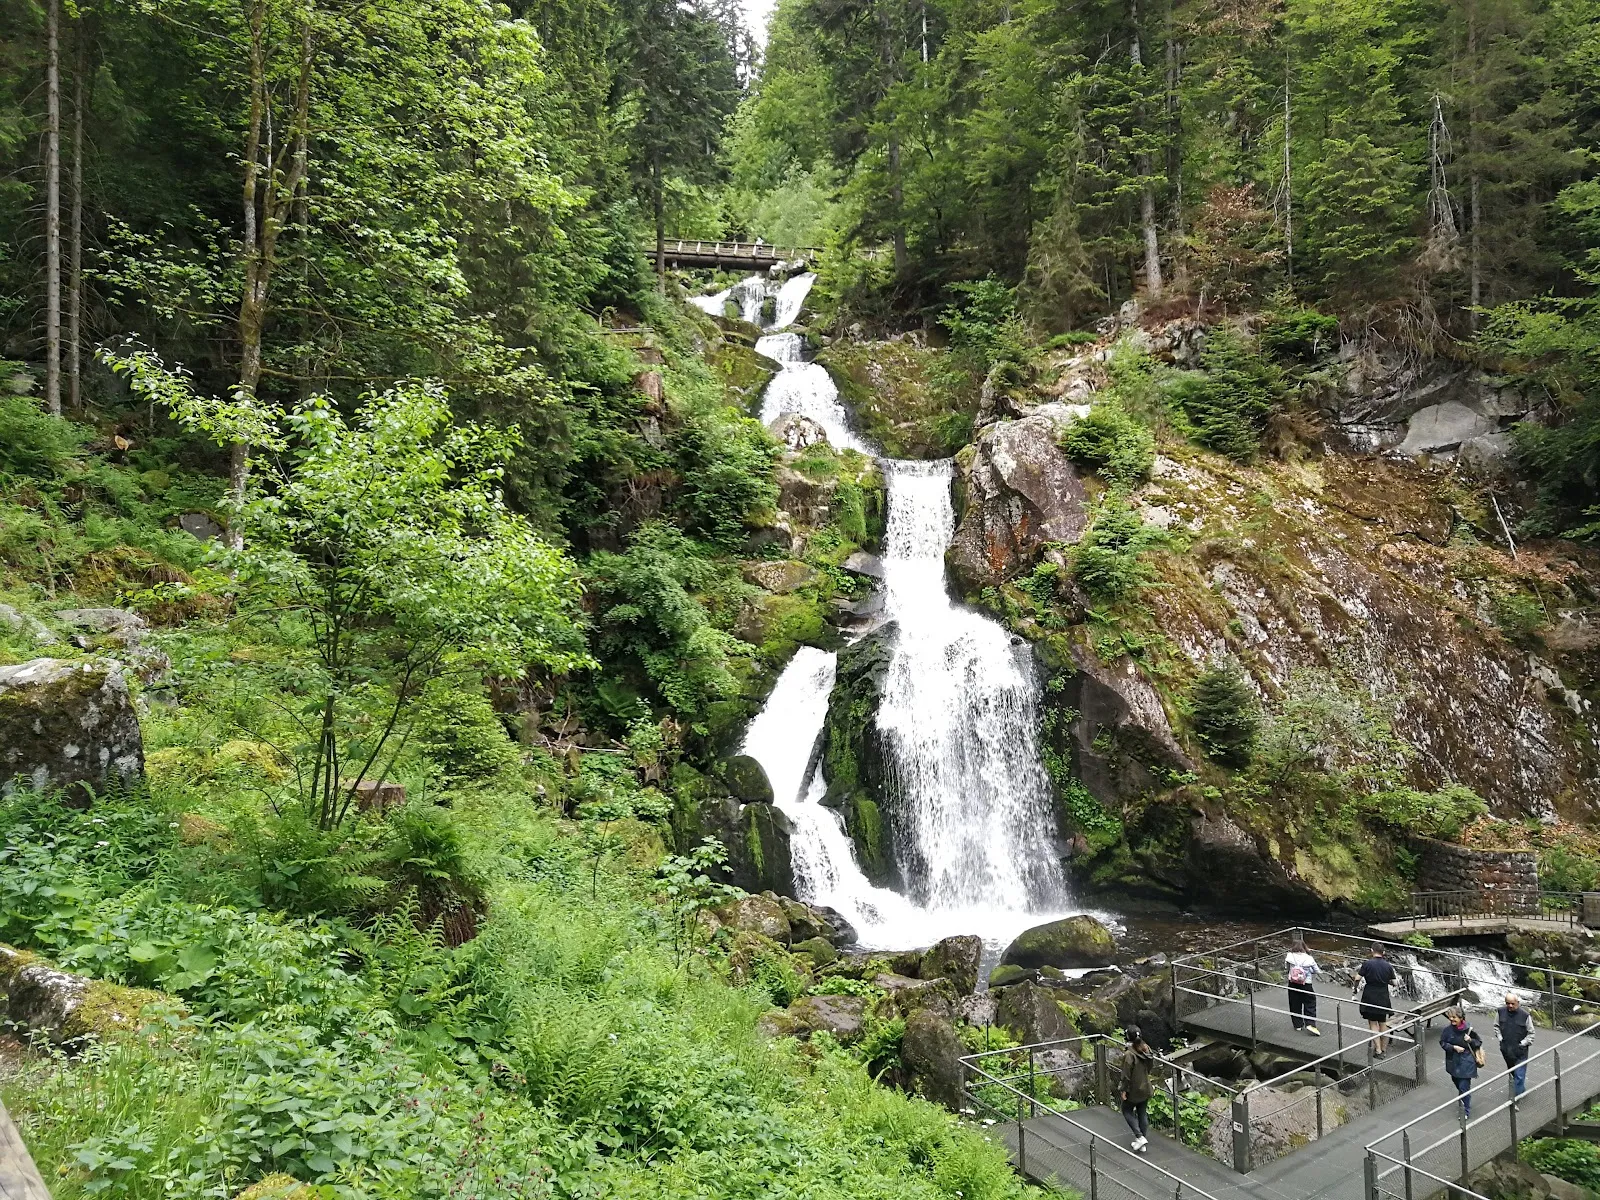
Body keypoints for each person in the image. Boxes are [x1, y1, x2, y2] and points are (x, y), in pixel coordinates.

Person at [1355, 943, 1397, 1055]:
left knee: (1373, 1023)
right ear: (1383, 952)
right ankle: (1383, 1048)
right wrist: (1385, 981)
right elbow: (1395, 983)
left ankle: (1377, 1049)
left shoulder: (1367, 964)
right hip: (1383, 996)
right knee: (1382, 1022)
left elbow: (1357, 978)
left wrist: (1355, 990)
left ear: (1372, 950)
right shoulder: (1388, 966)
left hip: (1370, 996)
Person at [1119, 1025, 1155, 1153]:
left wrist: (1124, 1090)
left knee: (1126, 1110)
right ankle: (1142, 1142)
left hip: (1134, 1089)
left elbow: (1126, 1074)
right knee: (1142, 1113)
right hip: (1145, 1086)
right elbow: (1151, 1066)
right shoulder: (1147, 1050)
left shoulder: (1130, 1054)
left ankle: (1139, 1137)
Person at [1440, 1008, 1483, 1116]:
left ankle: (1465, 1111)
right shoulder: (1447, 1030)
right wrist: (1453, 1047)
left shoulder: (1469, 1030)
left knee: (1464, 1087)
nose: (1451, 1019)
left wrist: (1470, 1040)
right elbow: (1442, 1043)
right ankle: (1463, 1098)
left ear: (1461, 1018)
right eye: (1450, 1017)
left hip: (1466, 1062)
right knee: (1457, 1082)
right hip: (1453, 1062)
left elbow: (1478, 1042)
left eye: (1454, 1017)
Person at [1497, 993, 1534, 1096]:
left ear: (1517, 1003)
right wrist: (1500, 1038)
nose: (1510, 1006)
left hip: (1520, 1051)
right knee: (1513, 1074)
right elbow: (1496, 1026)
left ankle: (1515, 1099)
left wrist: (1523, 1043)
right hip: (1506, 1050)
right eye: (1507, 1003)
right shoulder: (1500, 1012)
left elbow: (1531, 1033)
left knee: (1519, 1075)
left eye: (1512, 1003)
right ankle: (1520, 1090)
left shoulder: (1525, 1016)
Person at [1286, 938, 1322, 1036]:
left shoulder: (1289, 956)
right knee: (1310, 1002)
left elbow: (1287, 968)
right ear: (1304, 946)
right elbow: (1317, 970)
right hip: (1306, 983)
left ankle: (1297, 1025)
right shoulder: (1309, 958)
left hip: (1292, 982)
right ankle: (1310, 1023)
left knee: (1294, 1003)